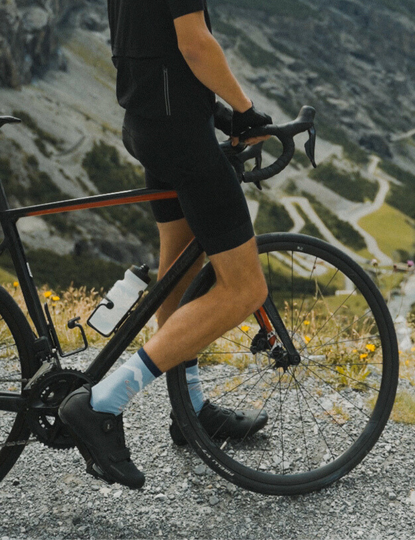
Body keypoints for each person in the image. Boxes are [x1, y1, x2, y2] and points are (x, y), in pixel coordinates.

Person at [58, 0, 273, 489]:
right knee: (244, 288)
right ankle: (102, 402)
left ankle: (189, 407)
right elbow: (194, 43)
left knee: (178, 264)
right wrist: (244, 110)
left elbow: (146, 46)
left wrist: (215, 114)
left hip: (148, 123)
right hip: (178, 133)